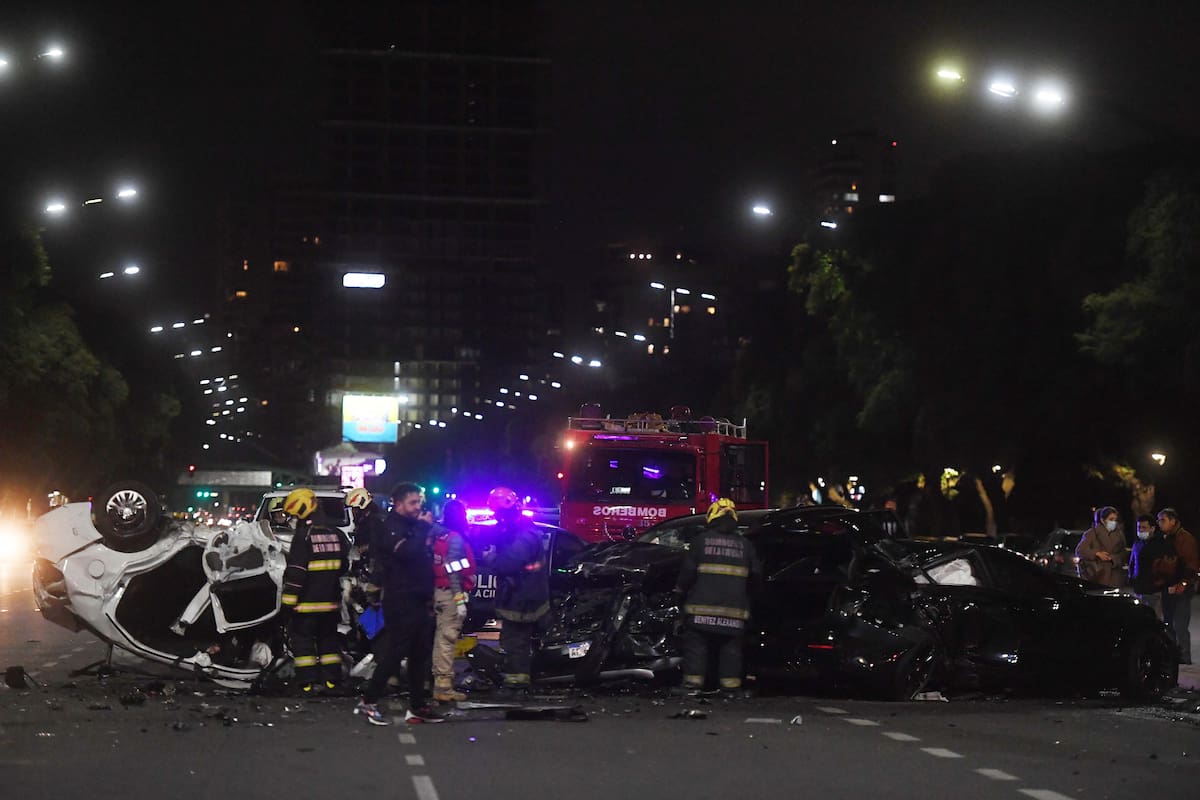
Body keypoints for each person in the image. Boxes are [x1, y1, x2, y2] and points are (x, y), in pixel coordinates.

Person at [354, 483, 445, 725]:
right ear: (399, 503)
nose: (418, 507)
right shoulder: (392, 527)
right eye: (413, 503)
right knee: (396, 652)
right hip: (401, 599)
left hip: (418, 598)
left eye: (419, 502)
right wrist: (424, 527)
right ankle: (368, 701)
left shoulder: (412, 526)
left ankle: (417, 706)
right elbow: (408, 553)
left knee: (419, 655)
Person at [673, 498, 762, 696]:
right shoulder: (746, 545)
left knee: (696, 647)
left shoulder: (700, 542)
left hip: (700, 612)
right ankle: (730, 689)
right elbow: (756, 577)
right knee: (731, 651)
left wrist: (679, 593)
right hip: (734, 612)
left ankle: (692, 686)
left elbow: (687, 574)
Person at [280, 488, 352, 694]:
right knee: (329, 642)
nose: (292, 520)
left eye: (293, 515)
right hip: (330, 604)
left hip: (306, 605)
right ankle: (332, 681)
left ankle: (307, 683)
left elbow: (296, 574)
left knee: (303, 644)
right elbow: (344, 566)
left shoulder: (304, 536)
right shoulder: (336, 533)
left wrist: (287, 603)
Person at [480, 486, 548, 694]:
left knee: (514, 640)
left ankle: (517, 683)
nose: (497, 517)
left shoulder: (525, 535)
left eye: (498, 513)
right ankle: (527, 677)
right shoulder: (521, 530)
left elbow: (509, 564)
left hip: (522, 598)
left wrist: (490, 558)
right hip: (526, 594)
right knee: (523, 640)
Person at [431, 498, 475, 702]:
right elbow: (454, 572)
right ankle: (443, 686)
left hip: (435, 592)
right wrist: (459, 600)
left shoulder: (436, 534)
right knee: (447, 639)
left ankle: (434, 680)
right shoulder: (456, 539)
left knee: (438, 639)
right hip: (449, 593)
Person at [1159, 508, 1199, 665]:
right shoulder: (1166, 537)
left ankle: (1184, 659)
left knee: (1180, 625)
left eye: (1163, 520)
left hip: (1182, 588)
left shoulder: (1185, 539)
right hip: (1168, 587)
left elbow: (1191, 564)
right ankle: (1173, 658)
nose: (1160, 523)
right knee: (1168, 624)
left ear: (1173, 521)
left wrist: (1183, 582)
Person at [1128, 514, 1174, 620]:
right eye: (1139, 527)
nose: (1141, 530)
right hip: (1139, 589)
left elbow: (1167, 567)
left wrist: (1160, 583)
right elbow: (1132, 563)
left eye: (1144, 527)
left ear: (1152, 528)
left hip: (1154, 591)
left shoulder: (1161, 544)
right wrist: (1132, 578)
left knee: (1154, 620)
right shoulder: (1137, 544)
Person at [1075, 506, 1127, 588]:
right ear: (1103, 520)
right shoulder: (1092, 533)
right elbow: (1080, 550)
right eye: (1111, 519)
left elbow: (1123, 554)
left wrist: (1113, 558)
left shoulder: (1119, 535)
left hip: (1114, 578)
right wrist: (1096, 553)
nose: (1114, 522)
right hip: (1097, 576)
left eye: (1115, 519)